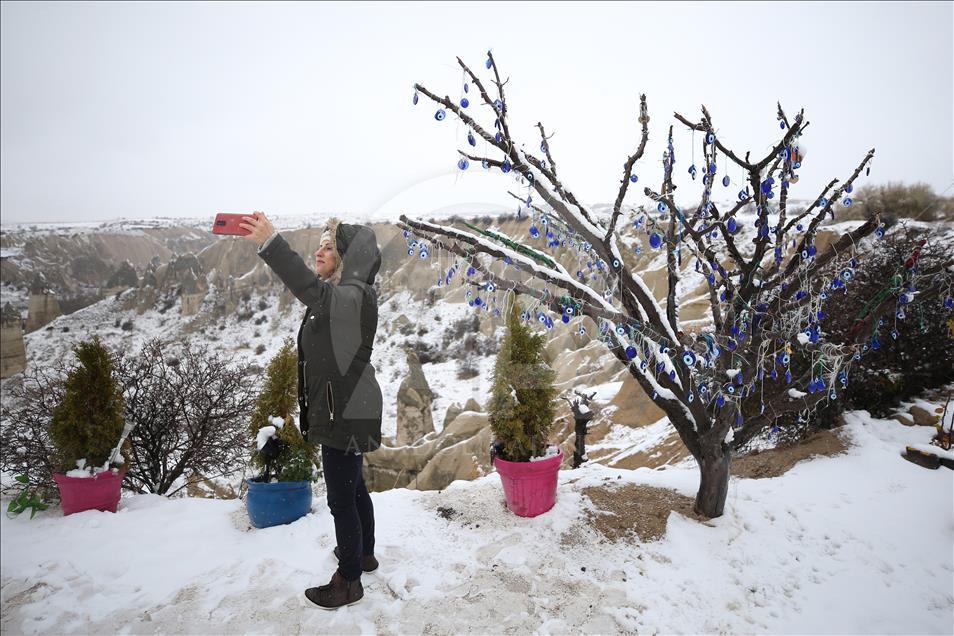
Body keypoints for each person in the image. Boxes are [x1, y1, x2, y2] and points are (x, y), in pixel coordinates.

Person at [240, 211, 383, 610]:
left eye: (327, 246)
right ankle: (364, 554)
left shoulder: (353, 295)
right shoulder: (342, 293)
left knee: (341, 497)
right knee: (354, 488)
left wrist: (272, 244)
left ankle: (349, 580)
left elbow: (309, 290)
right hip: (347, 405)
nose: (318, 251)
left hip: (346, 411)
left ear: (346, 257)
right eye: (317, 244)